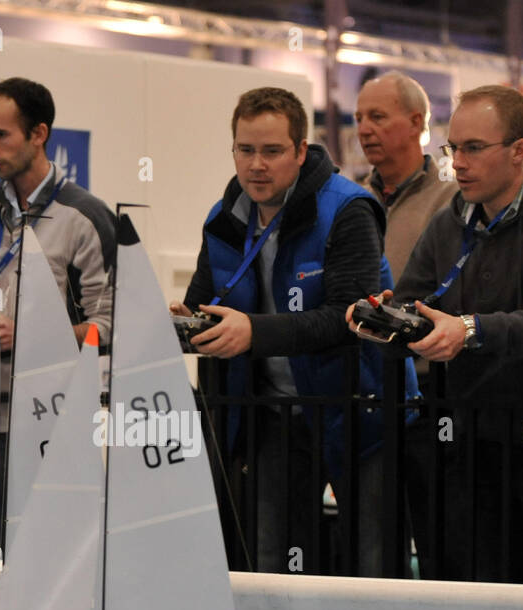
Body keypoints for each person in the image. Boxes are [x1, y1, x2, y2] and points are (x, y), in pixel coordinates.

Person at [172, 86, 419, 576]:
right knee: (271, 561)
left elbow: (347, 317)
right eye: (246, 150)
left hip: (357, 409)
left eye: (272, 151)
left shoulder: (349, 209)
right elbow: (207, 302)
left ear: (300, 151)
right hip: (270, 414)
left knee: (374, 564)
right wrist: (186, 324)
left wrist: (253, 334)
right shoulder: (223, 218)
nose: (256, 165)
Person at [365, 84, 523, 585]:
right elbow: (414, 299)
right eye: (453, 149)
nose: (458, 163)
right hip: (468, 442)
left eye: (473, 148)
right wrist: (382, 317)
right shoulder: (451, 220)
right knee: (477, 596)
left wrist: (470, 330)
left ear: (519, 151)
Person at [0, 77, 116, 355]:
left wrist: (28, 336)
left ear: (38, 134)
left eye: (0, 135)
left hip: (61, 394)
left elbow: (109, 325)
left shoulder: (86, 217)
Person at [355, 71, 459, 280]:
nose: (363, 129)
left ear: (415, 123)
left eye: (377, 117)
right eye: (359, 119)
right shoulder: (354, 200)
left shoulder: (451, 200)